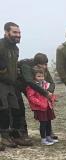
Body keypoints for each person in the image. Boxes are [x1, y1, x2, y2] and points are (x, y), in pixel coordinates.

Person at [17, 53, 57, 141]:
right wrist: (45, 93)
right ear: (36, 64)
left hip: (36, 88)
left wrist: (49, 92)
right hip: (18, 85)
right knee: (19, 108)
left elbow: (51, 82)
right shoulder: (25, 65)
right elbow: (30, 82)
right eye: (43, 64)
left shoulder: (43, 67)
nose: (45, 67)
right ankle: (23, 133)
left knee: (46, 107)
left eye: (46, 64)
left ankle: (48, 132)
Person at [0, 22, 23, 150]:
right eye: (15, 32)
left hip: (12, 84)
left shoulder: (15, 48)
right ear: (6, 32)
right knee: (3, 109)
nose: (18, 35)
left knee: (15, 109)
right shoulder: (0, 45)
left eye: (19, 33)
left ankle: (14, 134)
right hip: (1, 83)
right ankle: (4, 137)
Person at [25, 66, 57, 146]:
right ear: (34, 77)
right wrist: (40, 103)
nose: (41, 78)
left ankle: (48, 136)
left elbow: (49, 94)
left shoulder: (46, 84)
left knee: (49, 122)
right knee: (43, 123)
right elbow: (31, 97)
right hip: (40, 108)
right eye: (38, 76)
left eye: (42, 76)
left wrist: (53, 98)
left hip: (48, 107)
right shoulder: (32, 86)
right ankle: (43, 139)